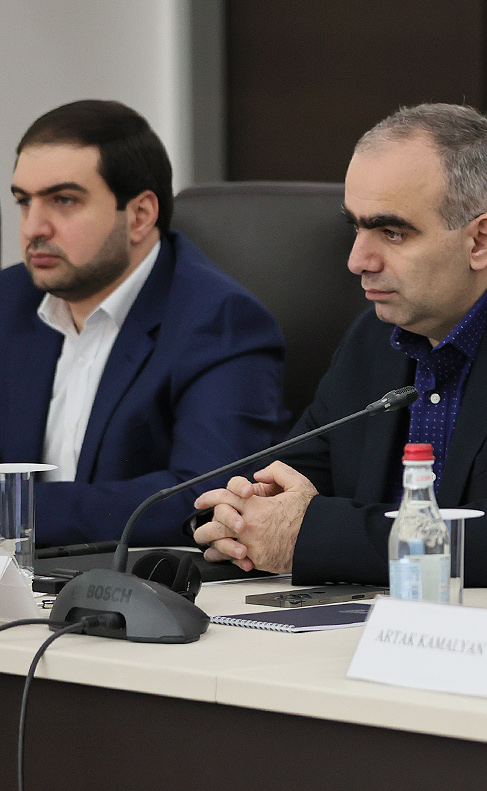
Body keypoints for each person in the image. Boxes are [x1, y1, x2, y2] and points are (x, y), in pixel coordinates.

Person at [192, 104, 487, 585]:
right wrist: (243, 515)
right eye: (356, 227)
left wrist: (315, 536)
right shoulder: (375, 336)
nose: (358, 261)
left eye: (392, 232)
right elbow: (291, 482)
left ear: (480, 240)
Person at [0, 100, 285, 546]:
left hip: (134, 581)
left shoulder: (221, 323)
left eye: (63, 200)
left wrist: (14, 510)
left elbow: (208, 497)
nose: (34, 227)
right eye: (23, 201)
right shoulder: (8, 301)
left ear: (139, 215)